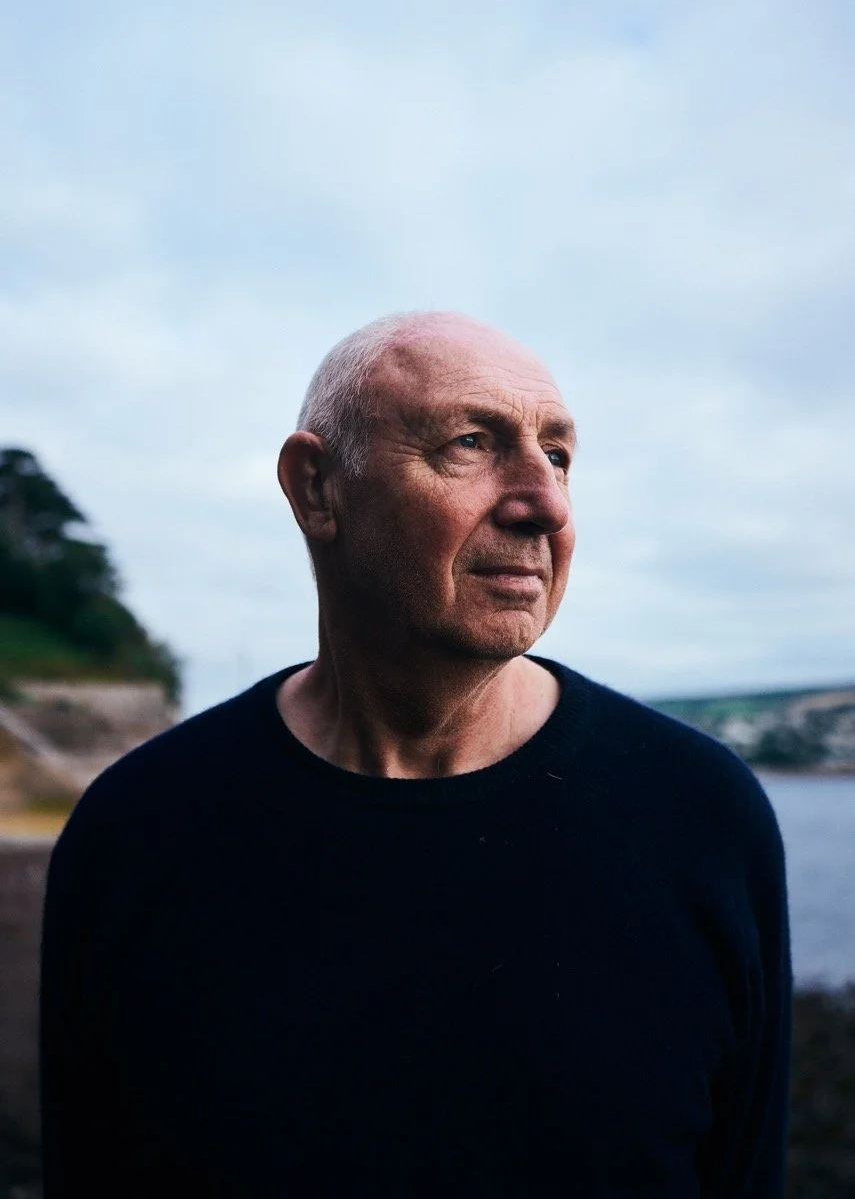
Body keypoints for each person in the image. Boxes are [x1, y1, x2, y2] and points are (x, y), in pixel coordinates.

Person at [40, 311, 791, 1197]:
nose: (545, 503)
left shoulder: (701, 816)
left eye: (556, 455)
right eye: (471, 443)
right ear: (317, 489)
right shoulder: (137, 830)